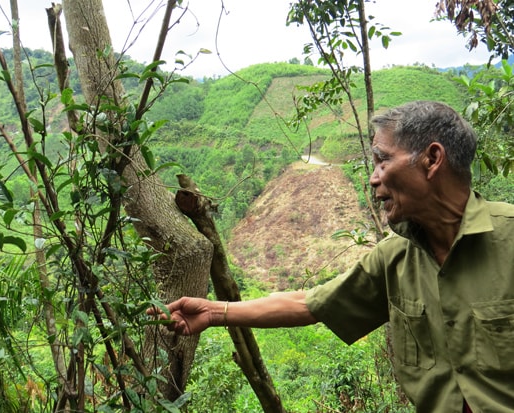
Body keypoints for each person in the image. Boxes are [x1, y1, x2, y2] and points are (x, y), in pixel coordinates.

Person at [150, 101, 514, 412]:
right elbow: (310, 304)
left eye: (383, 160)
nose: (373, 179)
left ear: (432, 159)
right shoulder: (395, 257)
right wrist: (214, 312)